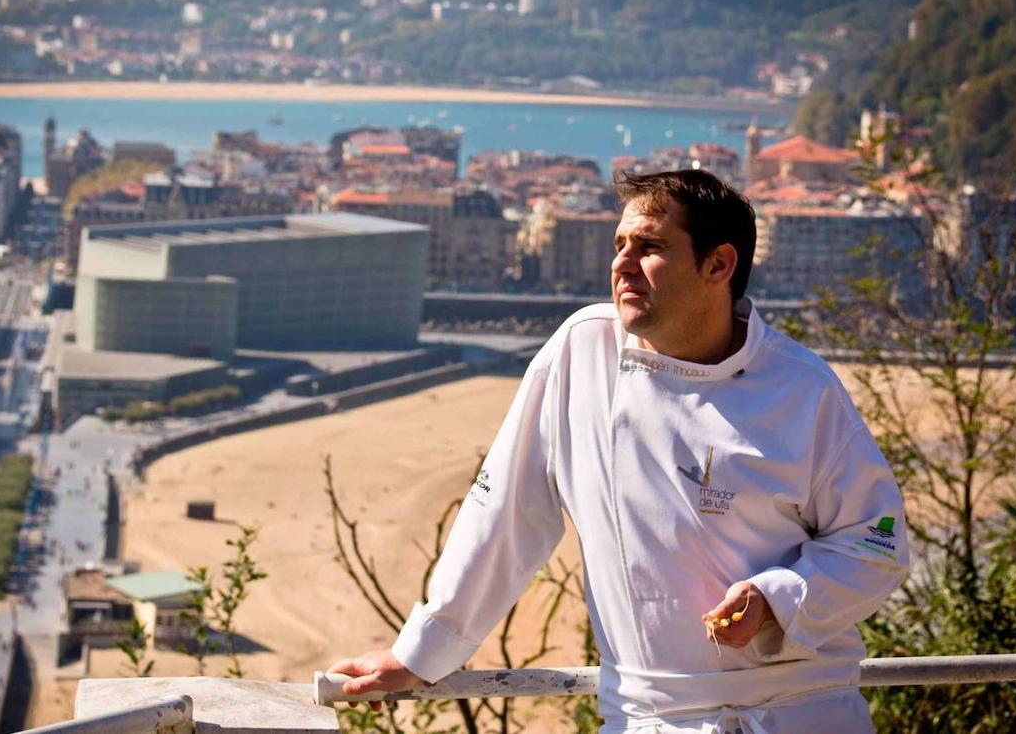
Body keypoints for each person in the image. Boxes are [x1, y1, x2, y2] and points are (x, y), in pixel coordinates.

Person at [329, 169, 909, 734]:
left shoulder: (804, 389)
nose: (621, 262)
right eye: (619, 244)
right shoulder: (582, 352)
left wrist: (774, 598)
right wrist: (420, 655)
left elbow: (877, 542)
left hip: (801, 710)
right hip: (644, 716)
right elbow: (504, 512)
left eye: (649, 246)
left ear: (719, 264)